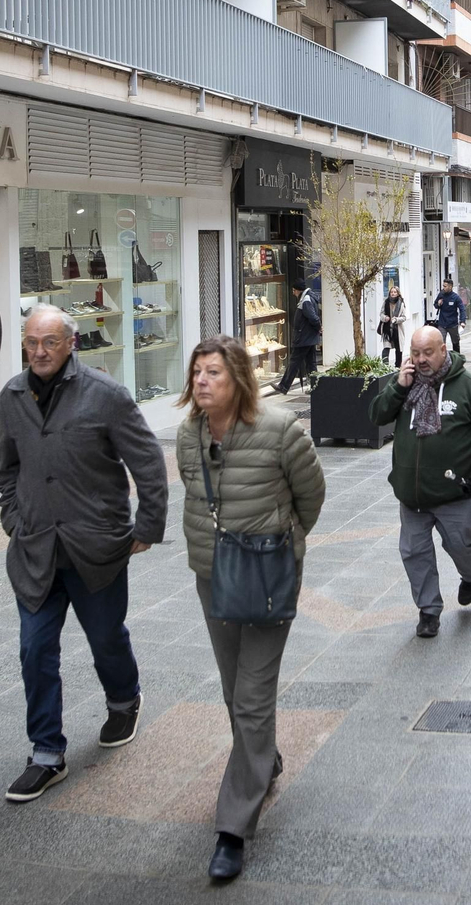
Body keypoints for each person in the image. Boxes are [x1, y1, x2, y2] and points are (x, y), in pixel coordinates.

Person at [0, 304, 167, 804]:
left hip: (96, 548)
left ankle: (123, 699)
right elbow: (7, 467)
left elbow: (149, 463)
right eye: (31, 342)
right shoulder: (10, 395)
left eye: (49, 342)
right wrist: (14, 516)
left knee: (106, 639)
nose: (38, 352)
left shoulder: (105, 394)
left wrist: (148, 526)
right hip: (36, 551)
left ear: (71, 342)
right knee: (35, 650)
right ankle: (46, 752)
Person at [175, 335, 325, 880]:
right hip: (214, 579)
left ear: (238, 378)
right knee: (233, 689)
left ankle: (232, 827)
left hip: (266, 578)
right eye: (196, 372)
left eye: (213, 372)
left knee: (252, 696)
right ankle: (264, 759)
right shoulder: (189, 434)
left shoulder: (280, 429)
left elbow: (312, 496)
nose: (201, 382)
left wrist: (284, 546)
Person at [369, 326, 471, 637]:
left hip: (454, 490)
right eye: (415, 353)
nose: (421, 359)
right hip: (412, 492)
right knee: (414, 552)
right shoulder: (405, 382)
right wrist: (398, 387)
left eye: (428, 352)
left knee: (460, 543)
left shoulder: (469, 388)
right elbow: (377, 415)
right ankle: (428, 610)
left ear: (443, 350)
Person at [274, 280, 320, 394]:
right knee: (311, 363)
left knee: (294, 361)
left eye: (294, 290)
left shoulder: (305, 300)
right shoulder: (309, 298)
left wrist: (318, 326)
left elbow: (313, 318)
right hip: (309, 337)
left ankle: (284, 386)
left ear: (298, 290)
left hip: (303, 337)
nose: (293, 293)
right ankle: (316, 387)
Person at [433, 278, 465, 353]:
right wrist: (438, 303)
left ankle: (457, 357)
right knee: (441, 343)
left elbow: (462, 309)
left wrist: (462, 321)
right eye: (443, 286)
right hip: (442, 323)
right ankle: (442, 360)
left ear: (450, 287)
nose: (443, 288)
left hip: (452, 324)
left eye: (445, 286)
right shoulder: (441, 294)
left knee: (455, 342)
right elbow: (435, 305)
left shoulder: (456, 297)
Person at [379, 284, 408, 366]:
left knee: (399, 349)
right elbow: (381, 314)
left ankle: (398, 366)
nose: (393, 293)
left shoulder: (401, 303)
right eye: (391, 292)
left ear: (398, 293)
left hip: (397, 329)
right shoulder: (386, 302)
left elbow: (404, 317)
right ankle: (385, 367)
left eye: (395, 292)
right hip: (387, 329)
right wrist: (385, 318)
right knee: (386, 348)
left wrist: (396, 320)